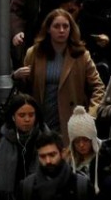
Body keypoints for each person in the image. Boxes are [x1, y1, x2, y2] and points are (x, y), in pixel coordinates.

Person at [14, 8, 106, 139]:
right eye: (56, 26)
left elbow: (98, 87)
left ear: (71, 29)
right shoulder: (34, 53)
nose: (61, 30)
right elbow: (26, 90)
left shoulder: (81, 55)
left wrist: (90, 115)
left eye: (65, 26)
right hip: (42, 117)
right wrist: (17, 76)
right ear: (48, 29)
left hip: (72, 119)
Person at [17, 131, 95, 200]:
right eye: (43, 156)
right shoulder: (27, 187)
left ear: (62, 153)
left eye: (52, 155)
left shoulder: (81, 185)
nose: (48, 161)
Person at [0, 94, 49, 200]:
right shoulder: (2, 144)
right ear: (13, 117)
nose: (27, 119)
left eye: (31, 115)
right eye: (22, 115)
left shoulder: (46, 140)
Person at [68, 107, 111, 195]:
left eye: (85, 140)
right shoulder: (70, 165)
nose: (81, 145)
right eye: (77, 141)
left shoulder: (108, 157)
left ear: (92, 139)